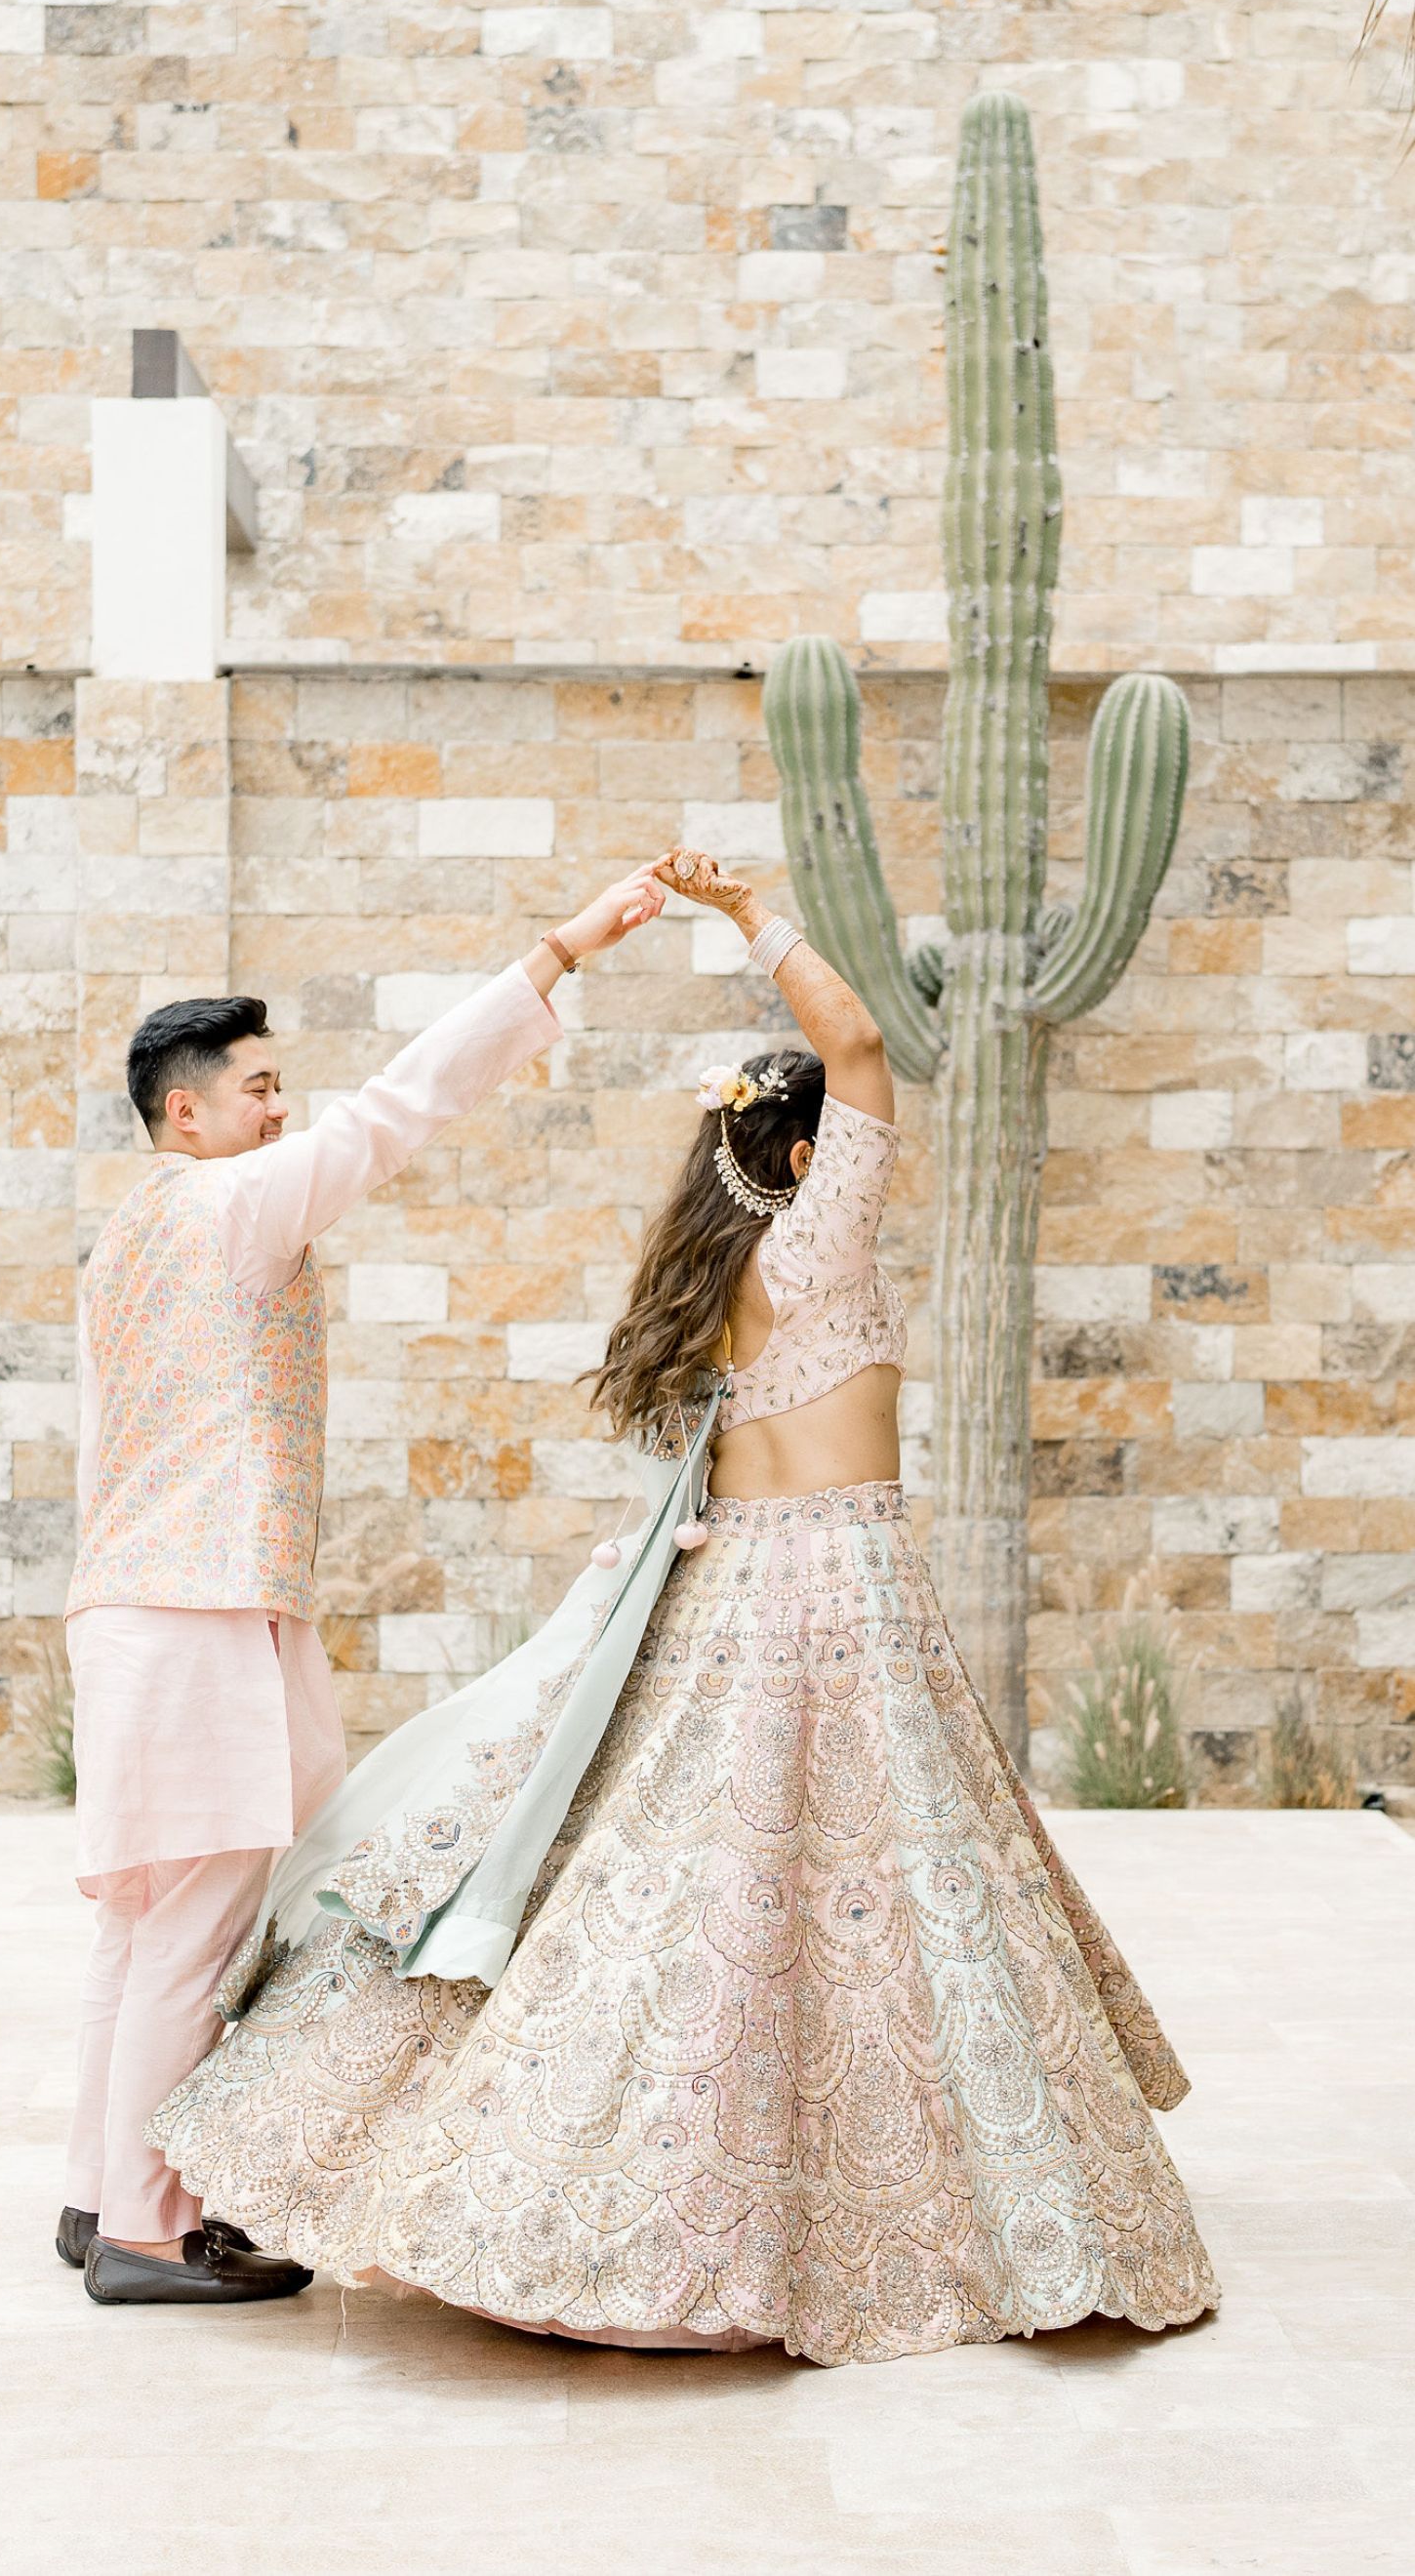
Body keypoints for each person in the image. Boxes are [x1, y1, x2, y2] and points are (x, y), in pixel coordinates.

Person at [146, 848, 1219, 2364]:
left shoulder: (724, 1283)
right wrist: (751, 913)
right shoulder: (820, 1238)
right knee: (886, 1900)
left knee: (700, 1900)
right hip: (847, 1595)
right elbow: (857, 1041)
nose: (874, 1147)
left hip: (736, 1594)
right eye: (850, 1142)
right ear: (803, 1163)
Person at [59, 864, 666, 2307]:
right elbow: (401, 1107)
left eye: (281, 1088)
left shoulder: (120, 1242)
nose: (282, 1110)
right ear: (183, 1111)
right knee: (197, 1921)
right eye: (257, 1087)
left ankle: (97, 2195)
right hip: (200, 1612)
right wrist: (558, 954)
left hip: (131, 1607)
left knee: (142, 1919)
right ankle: (148, 2233)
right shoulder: (236, 1207)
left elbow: (97, 1444)